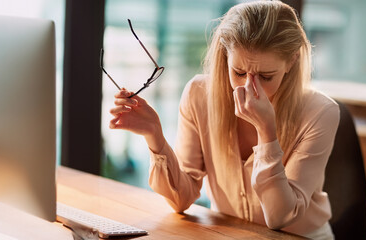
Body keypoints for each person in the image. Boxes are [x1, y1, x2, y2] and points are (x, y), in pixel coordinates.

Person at [109, 1, 339, 239]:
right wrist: (154, 136)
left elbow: (280, 217)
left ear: (291, 61)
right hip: (227, 234)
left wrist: (267, 134)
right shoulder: (199, 94)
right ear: (225, 56)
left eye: (266, 76)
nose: (249, 88)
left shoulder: (321, 112)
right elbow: (181, 200)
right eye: (238, 72)